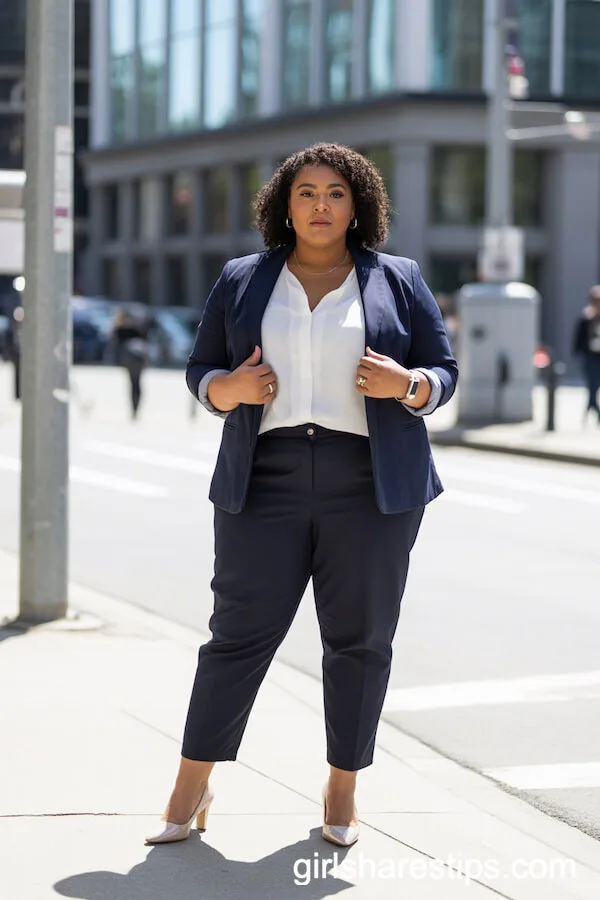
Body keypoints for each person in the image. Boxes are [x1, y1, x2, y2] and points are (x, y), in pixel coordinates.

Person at [145, 143, 458, 848]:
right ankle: (190, 786)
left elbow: (443, 369)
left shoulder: (399, 279)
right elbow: (202, 368)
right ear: (285, 206)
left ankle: (341, 790)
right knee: (237, 635)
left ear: (358, 206)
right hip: (266, 477)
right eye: (307, 193)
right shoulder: (243, 278)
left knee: (359, 640)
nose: (321, 205)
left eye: (336, 193)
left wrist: (408, 385)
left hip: (371, 482)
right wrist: (226, 389)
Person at [110, 309, 149, 419]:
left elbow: (114, 342)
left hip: (130, 359)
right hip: (140, 358)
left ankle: (134, 408)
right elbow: (145, 340)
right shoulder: (138, 327)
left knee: (133, 383)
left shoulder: (120, 328)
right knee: (137, 383)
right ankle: (136, 408)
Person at [573, 285, 600, 423]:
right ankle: (595, 411)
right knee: (593, 384)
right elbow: (579, 337)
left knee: (594, 386)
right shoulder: (586, 317)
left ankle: (589, 409)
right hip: (590, 356)